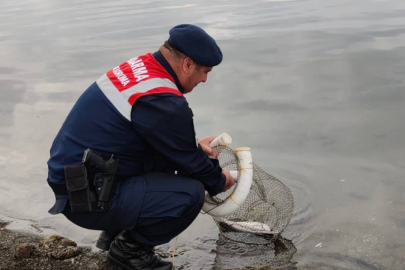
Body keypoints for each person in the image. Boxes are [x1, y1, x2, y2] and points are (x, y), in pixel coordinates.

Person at [46, 24, 235, 270]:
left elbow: (162, 141)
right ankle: (129, 253)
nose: (205, 79)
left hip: (72, 178)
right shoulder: (163, 100)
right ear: (188, 63)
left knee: (168, 164)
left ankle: (112, 235)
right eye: (204, 71)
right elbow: (192, 164)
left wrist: (192, 149)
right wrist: (220, 180)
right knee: (191, 194)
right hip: (85, 199)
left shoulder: (141, 68)